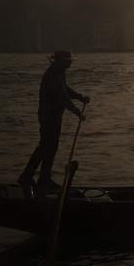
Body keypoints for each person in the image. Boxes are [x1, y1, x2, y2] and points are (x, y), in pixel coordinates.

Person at [19, 50, 89, 195]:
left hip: (54, 116)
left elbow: (66, 90)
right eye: (68, 60)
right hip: (48, 116)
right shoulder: (52, 75)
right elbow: (62, 97)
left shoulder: (59, 72)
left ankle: (36, 177)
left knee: (48, 146)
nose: (71, 62)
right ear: (61, 61)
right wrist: (78, 112)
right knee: (47, 146)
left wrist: (80, 97)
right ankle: (36, 177)